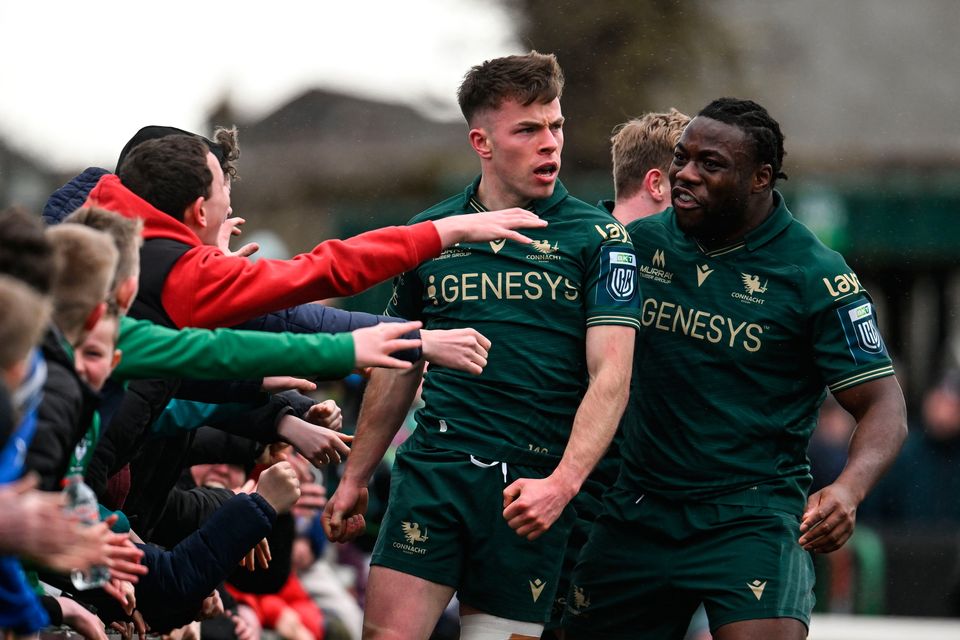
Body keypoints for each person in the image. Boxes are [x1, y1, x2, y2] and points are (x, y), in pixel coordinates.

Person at [563, 97, 908, 640]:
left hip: (751, 514)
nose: (686, 175)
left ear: (760, 177)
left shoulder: (814, 273)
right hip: (638, 507)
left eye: (711, 164)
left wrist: (848, 489)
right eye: (682, 158)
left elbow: (884, 405)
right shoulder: (633, 245)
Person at [324, 51, 641, 639]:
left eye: (557, 125)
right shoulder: (433, 231)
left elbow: (612, 376)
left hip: (530, 488)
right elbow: (398, 362)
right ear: (483, 141)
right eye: (528, 129)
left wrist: (562, 484)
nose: (550, 143)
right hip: (436, 473)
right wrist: (356, 476)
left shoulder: (599, 237)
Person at [544, 109, 691, 638]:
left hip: (656, 524)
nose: (699, 201)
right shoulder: (567, 256)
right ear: (657, 183)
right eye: (689, 183)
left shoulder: (692, 275)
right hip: (570, 508)